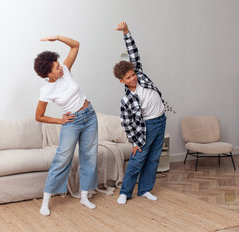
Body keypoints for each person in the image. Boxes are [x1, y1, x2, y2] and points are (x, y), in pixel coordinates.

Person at [34, 35, 98, 216]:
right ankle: (46, 201)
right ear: (48, 74)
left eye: (59, 63)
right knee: (62, 159)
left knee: (90, 156)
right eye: (56, 67)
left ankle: (84, 196)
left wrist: (57, 38)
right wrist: (60, 120)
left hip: (90, 116)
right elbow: (39, 116)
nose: (60, 67)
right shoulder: (46, 90)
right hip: (72, 123)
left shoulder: (66, 70)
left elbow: (76, 45)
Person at [113, 22, 166, 204]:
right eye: (128, 77)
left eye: (132, 74)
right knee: (138, 159)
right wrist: (135, 141)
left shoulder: (141, 75)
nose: (133, 78)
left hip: (161, 120)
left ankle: (144, 190)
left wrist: (126, 32)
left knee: (153, 159)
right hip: (148, 126)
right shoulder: (126, 100)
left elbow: (133, 51)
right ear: (122, 81)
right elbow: (127, 123)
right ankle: (125, 192)